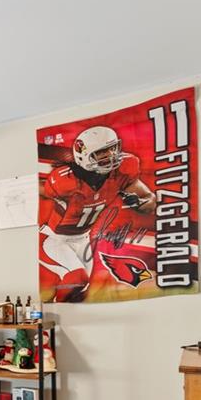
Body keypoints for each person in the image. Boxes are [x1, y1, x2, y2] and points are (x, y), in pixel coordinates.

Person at [39, 126, 156, 301]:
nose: (111, 156)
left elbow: (149, 200)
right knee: (77, 279)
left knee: (79, 294)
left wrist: (139, 202)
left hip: (83, 238)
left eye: (113, 148)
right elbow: (39, 192)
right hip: (54, 239)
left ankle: (58, 316)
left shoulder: (123, 170)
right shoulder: (65, 181)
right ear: (83, 155)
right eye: (102, 152)